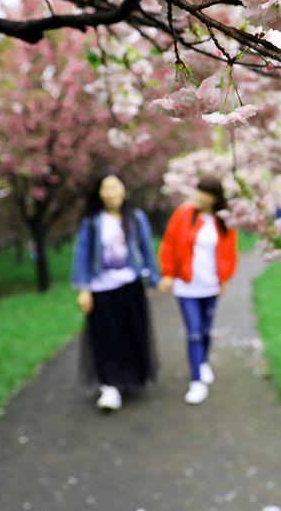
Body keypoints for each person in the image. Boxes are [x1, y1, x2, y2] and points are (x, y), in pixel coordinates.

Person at [71, 173, 160, 411]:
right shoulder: (91, 222)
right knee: (105, 336)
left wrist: (152, 278)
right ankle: (109, 385)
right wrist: (84, 288)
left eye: (115, 187)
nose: (111, 193)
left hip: (130, 285)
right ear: (99, 193)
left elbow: (146, 249)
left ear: (124, 190)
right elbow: (82, 255)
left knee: (131, 334)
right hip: (102, 289)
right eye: (106, 188)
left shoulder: (136, 218)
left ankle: (128, 378)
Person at [158, 176, 239, 405]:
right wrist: (167, 273)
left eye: (206, 192)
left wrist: (224, 279)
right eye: (199, 191)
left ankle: (201, 363)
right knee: (193, 332)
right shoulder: (183, 213)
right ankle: (196, 381)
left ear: (215, 197)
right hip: (187, 286)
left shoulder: (224, 220)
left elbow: (230, 253)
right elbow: (169, 244)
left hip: (210, 286)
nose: (200, 196)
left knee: (205, 330)